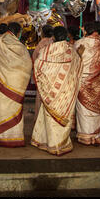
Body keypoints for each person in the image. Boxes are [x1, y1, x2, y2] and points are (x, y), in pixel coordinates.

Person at [31, 26, 84, 156]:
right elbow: (78, 68)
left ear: (53, 37)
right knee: (61, 117)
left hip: (49, 91)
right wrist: (80, 56)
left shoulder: (46, 50)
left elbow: (38, 65)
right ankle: (60, 144)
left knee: (48, 117)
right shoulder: (71, 51)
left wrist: (46, 83)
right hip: (65, 92)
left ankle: (46, 141)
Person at [0, 22, 32, 147]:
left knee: (1, 107)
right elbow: (27, 64)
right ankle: (15, 137)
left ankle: (1, 137)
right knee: (14, 108)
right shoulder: (20, 47)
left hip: (2, 81)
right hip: (17, 83)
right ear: (18, 32)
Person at [74, 20, 100, 146]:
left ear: (86, 30)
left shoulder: (80, 43)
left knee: (83, 110)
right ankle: (96, 135)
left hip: (83, 80)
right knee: (96, 110)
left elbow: (75, 61)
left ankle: (86, 137)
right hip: (98, 81)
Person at [31, 25, 54, 121]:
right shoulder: (55, 43)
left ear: (43, 33)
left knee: (40, 97)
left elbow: (34, 59)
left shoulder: (40, 44)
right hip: (53, 74)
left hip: (42, 74)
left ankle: (39, 119)